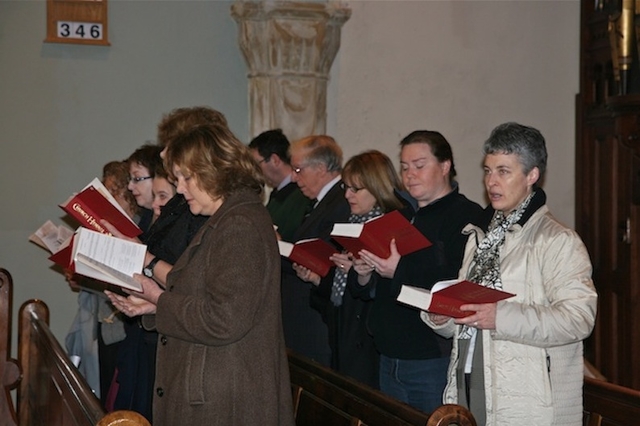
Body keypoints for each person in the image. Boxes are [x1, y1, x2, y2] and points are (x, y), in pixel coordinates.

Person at [106, 124, 295, 426]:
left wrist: (158, 297)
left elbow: (225, 319)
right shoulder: (223, 219)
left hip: (226, 397)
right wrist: (155, 305)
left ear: (213, 170)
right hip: (213, 385)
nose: (180, 189)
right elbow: (204, 293)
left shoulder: (239, 225)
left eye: (185, 177)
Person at [423, 122, 597, 425]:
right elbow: (472, 311)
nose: (491, 181)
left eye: (503, 171)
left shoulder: (557, 240)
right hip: (469, 377)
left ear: (532, 175)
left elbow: (578, 319)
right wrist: (444, 317)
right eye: (488, 170)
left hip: (526, 397)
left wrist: (500, 317)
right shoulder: (479, 235)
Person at [348, 131, 482, 413]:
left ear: (445, 166)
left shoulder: (466, 215)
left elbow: (458, 281)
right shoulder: (400, 214)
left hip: (430, 357)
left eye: (419, 166)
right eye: (405, 167)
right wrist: (363, 273)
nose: (410, 175)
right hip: (387, 353)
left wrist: (399, 269)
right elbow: (376, 288)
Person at [293, 150, 405, 388]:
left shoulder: (388, 230)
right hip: (341, 333)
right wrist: (317, 279)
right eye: (346, 187)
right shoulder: (351, 225)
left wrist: (359, 272)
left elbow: (385, 291)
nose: (347, 195)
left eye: (356, 189)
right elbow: (338, 294)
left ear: (377, 189)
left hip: (368, 342)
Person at [65, 160, 137, 404]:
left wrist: (85, 280)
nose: (108, 199)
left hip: (124, 329)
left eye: (113, 192)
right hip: (106, 325)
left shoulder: (137, 229)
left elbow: (126, 285)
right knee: (104, 393)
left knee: (115, 396)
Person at [282, 135, 350, 366]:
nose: (293, 177)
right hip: (304, 318)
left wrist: (277, 246)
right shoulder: (322, 201)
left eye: (298, 169)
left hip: (316, 320)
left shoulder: (341, 201)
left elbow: (323, 257)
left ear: (321, 168)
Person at [249, 129, 310, 242]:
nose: (254, 171)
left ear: (275, 160)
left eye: (257, 164)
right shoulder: (277, 194)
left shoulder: (302, 194)